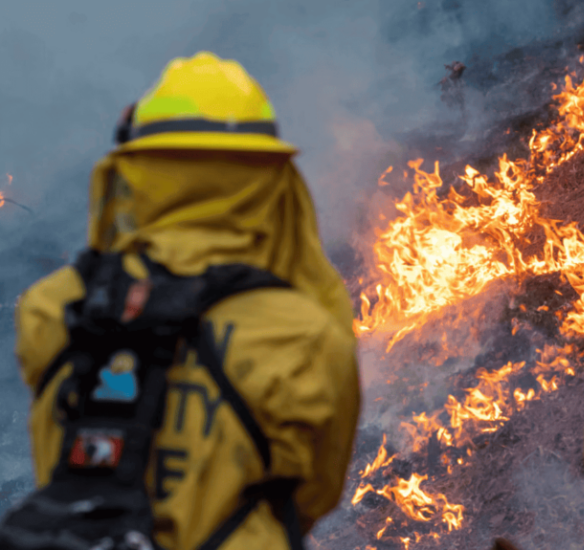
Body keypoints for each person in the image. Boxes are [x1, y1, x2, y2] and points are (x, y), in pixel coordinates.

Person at [11, 52, 360, 550]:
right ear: (268, 177)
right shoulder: (302, 332)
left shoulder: (51, 307)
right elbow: (315, 495)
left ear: (133, 170)